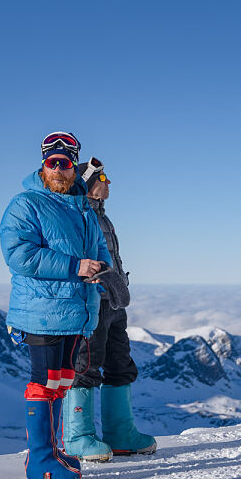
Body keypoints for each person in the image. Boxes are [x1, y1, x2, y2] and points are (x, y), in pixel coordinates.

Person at [0, 131, 111, 479]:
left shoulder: (82, 207)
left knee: (61, 381)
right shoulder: (26, 204)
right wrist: (76, 267)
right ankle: (40, 461)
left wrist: (103, 270)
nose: (59, 169)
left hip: (75, 310)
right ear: (43, 165)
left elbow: (99, 248)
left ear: (75, 168)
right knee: (44, 382)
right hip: (42, 310)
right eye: (53, 162)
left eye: (65, 163)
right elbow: (19, 255)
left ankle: (52, 451)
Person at [63, 158, 156, 461]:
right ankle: (78, 437)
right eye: (102, 178)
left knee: (119, 362)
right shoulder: (79, 216)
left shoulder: (102, 216)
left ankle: (120, 434)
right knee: (85, 365)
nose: (109, 182)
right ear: (88, 183)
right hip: (91, 301)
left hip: (114, 300)